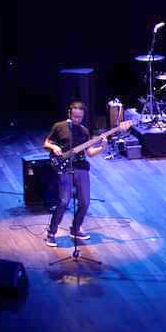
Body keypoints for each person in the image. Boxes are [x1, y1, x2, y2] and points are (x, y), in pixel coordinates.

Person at [43, 101, 107, 246]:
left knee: (84, 202)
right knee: (64, 201)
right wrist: (53, 147)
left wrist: (102, 146)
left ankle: (76, 228)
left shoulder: (84, 131)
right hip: (64, 167)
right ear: (69, 114)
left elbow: (89, 153)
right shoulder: (59, 127)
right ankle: (51, 232)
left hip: (81, 167)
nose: (78, 120)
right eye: (76, 117)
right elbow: (46, 143)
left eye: (80, 117)